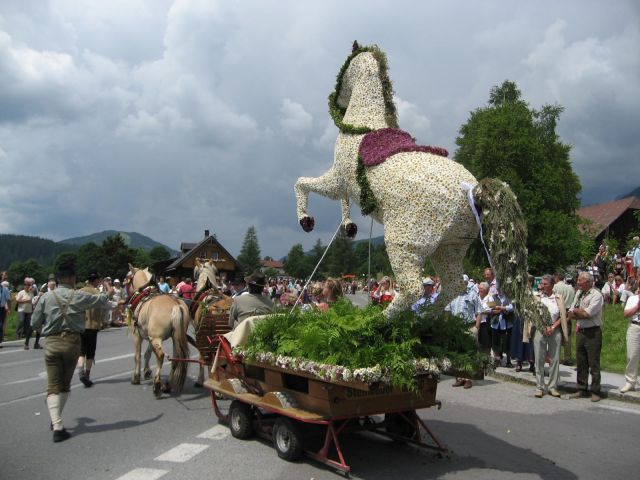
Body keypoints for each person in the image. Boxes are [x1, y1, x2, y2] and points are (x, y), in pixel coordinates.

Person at [30, 254, 114, 442]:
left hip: (51, 343)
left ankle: (56, 422)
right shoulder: (78, 296)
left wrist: (47, 330)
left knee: (53, 385)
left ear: (58, 279)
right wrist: (108, 289)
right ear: (70, 279)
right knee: (64, 385)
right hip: (72, 343)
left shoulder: (46, 297)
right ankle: (57, 425)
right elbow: (101, 300)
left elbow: (34, 323)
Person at [567, 272, 604, 402]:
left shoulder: (596, 295)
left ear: (588, 282)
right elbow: (571, 312)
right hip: (580, 331)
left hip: (593, 332)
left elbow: (588, 314)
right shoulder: (579, 293)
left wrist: (578, 311)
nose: (578, 282)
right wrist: (578, 312)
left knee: (593, 362)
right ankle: (581, 388)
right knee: (581, 361)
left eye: (580, 280)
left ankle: (595, 391)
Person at [532, 275, 568, 398]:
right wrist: (543, 327)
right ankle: (539, 387)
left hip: (554, 330)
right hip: (540, 329)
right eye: (541, 284)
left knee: (554, 359)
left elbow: (563, 315)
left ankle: (553, 387)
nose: (542, 286)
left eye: (545, 284)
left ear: (552, 285)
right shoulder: (537, 297)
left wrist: (553, 327)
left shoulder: (558, 297)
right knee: (539, 359)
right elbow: (533, 314)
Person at [76, 272, 114, 387]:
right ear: (96, 280)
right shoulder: (97, 293)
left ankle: (80, 372)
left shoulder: (79, 291)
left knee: (81, 351)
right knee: (90, 353)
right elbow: (109, 298)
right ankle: (87, 375)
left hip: (81, 325)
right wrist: (106, 284)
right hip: (92, 326)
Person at [446, 280, 482, 389]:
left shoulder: (472, 294)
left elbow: (479, 311)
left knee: (470, 353)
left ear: (466, 284)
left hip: (469, 327)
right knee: (458, 353)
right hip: (456, 328)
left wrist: (477, 327)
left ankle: (468, 379)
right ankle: (460, 378)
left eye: (463, 282)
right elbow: (448, 311)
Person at [620, 278, 640, 393]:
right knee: (632, 355)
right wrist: (637, 307)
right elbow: (626, 314)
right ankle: (630, 382)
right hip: (634, 327)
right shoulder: (632, 299)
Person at [553, 272, 576, 366]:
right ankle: (567, 357)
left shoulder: (555, 287)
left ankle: (556, 356)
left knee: (556, 334)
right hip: (568, 311)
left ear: (557, 277)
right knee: (567, 335)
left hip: (558, 311)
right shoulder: (570, 288)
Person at [16, 278, 35, 347]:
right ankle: (18, 333)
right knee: (21, 321)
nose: (27, 286)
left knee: (27, 323)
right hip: (21, 310)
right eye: (26, 285)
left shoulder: (31, 293)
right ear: (24, 286)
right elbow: (18, 300)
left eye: (29, 285)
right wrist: (26, 301)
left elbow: (32, 301)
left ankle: (25, 334)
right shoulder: (21, 292)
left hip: (29, 310)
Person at [0, 279, 10, 348]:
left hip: (1, 309)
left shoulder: (4, 289)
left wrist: (9, 309)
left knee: (1, 325)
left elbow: (8, 299)